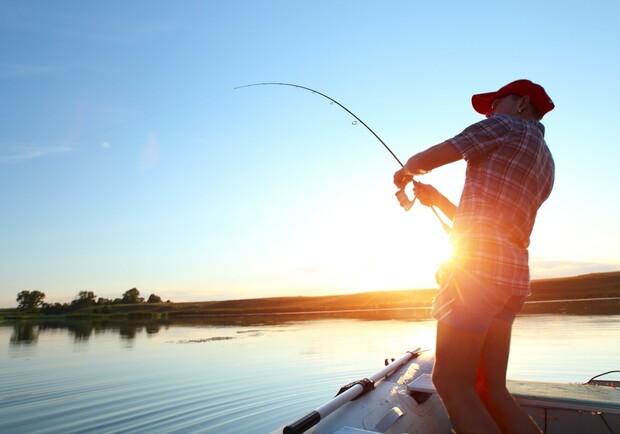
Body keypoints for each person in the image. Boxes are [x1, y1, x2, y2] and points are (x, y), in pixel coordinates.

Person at [393, 79, 555, 434]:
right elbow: (492, 224)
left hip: (476, 275)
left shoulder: (505, 125)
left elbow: (424, 161)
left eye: (496, 102)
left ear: (521, 103)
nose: (490, 111)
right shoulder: (546, 160)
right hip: (510, 279)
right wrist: (437, 201)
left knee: (452, 383)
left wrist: (406, 171)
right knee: (491, 389)